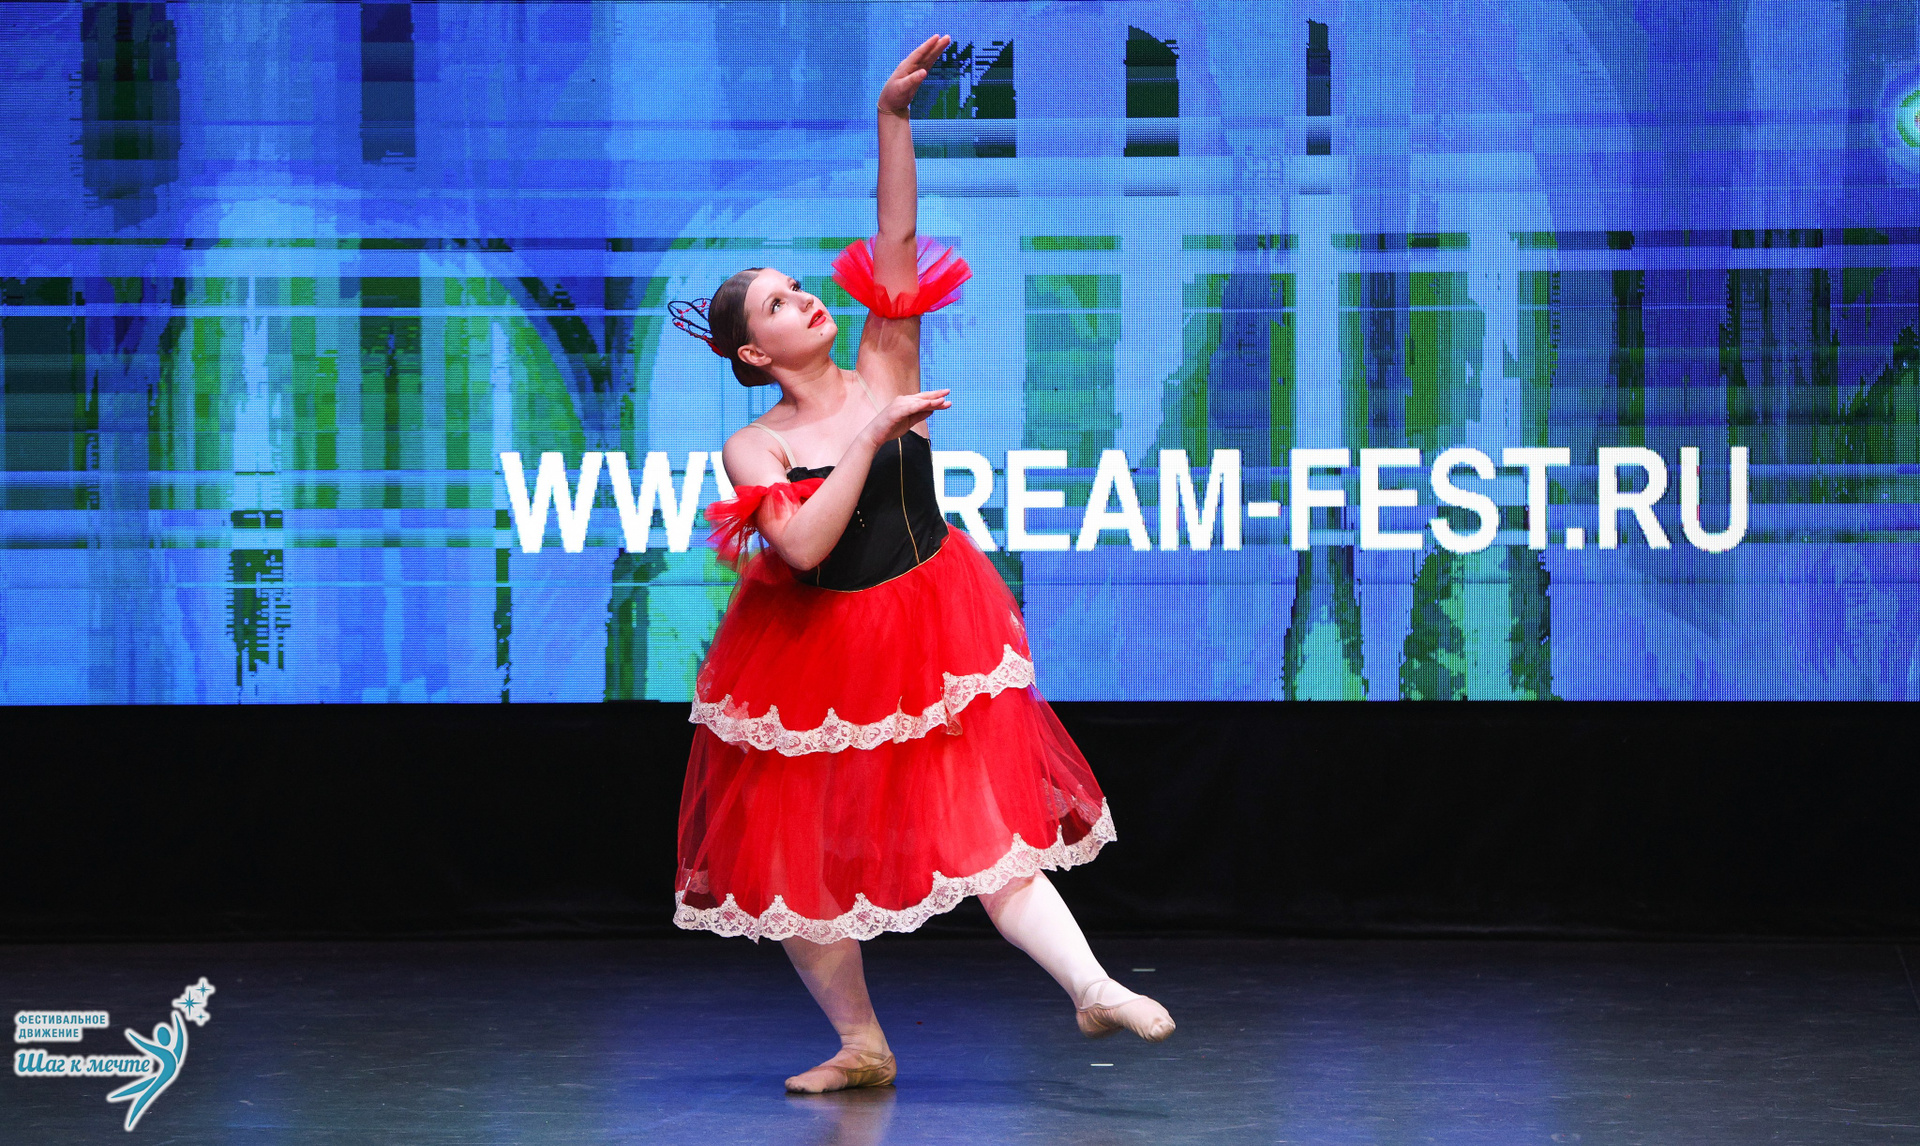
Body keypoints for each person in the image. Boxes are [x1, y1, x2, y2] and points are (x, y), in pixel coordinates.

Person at [667, 34, 1173, 1096]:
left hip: (931, 622)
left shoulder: (883, 359)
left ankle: (1091, 986)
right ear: (754, 353)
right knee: (792, 863)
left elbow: (895, 235)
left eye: (799, 287)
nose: (806, 300)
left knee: (988, 831)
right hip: (813, 652)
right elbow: (803, 547)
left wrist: (892, 118)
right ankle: (862, 1042)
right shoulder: (756, 446)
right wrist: (866, 433)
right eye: (777, 305)